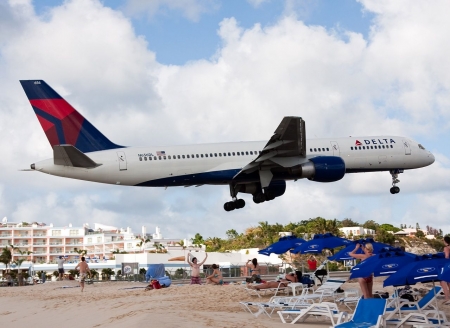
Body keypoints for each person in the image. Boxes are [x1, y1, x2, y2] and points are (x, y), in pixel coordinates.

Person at [441, 236, 450, 305]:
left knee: (443, 281)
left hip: (447, 266)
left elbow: (446, 256)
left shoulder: (446, 248)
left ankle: (447, 298)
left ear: (445, 241)